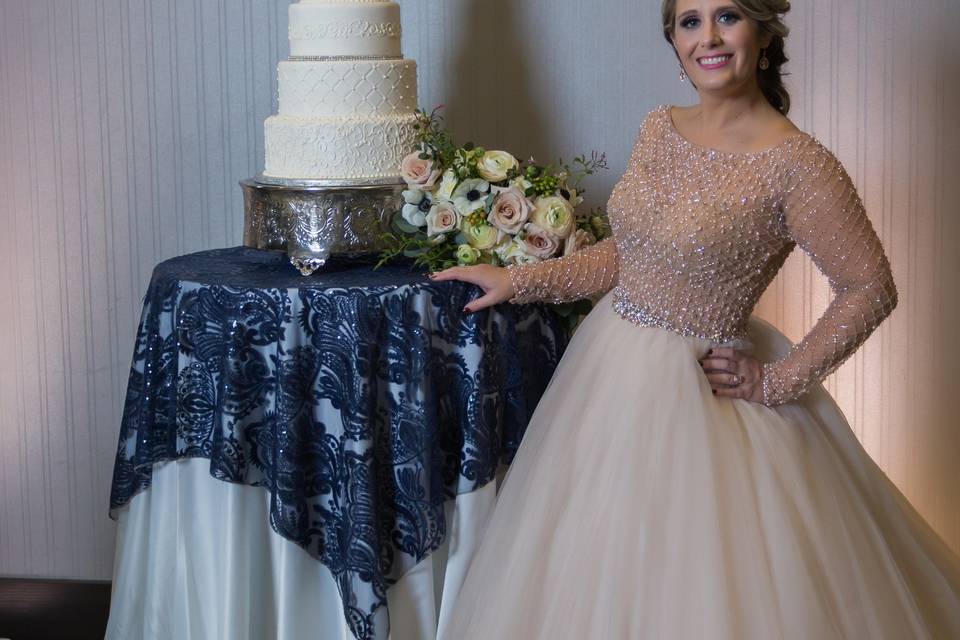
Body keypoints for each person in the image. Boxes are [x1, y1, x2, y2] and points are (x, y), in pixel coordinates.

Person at [431, 0, 960, 637]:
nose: (707, 36)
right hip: (607, 378)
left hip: (700, 397)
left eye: (727, 16)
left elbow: (869, 287)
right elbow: (628, 257)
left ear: (762, 33)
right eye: (689, 20)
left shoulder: (799, 166)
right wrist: (515, 281)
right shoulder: (660, 127)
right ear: (675, 41)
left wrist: (777, 382)